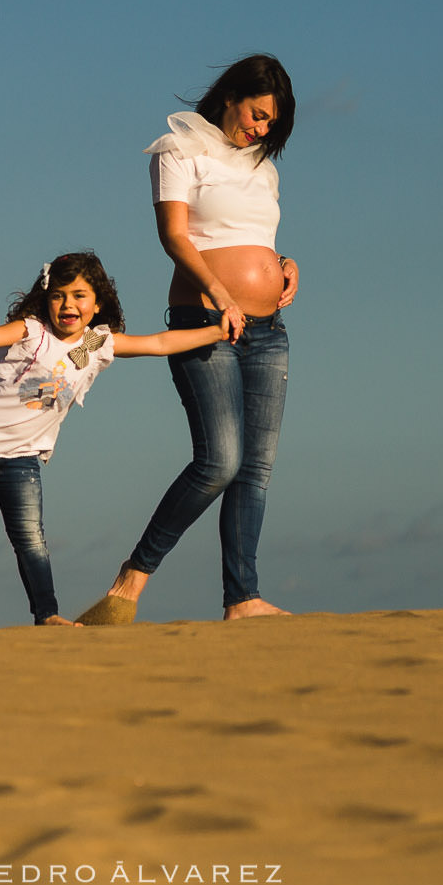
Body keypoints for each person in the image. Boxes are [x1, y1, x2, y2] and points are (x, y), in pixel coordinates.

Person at [0, 252, 230, 628]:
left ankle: (47, 614)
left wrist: (216, 331)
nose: (68, 304)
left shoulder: (92, 346)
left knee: (32, 541)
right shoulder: (33, 332)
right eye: (59, 295)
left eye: (80, 296)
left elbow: (159, 343)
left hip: (21, 459)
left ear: (97, 303)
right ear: (46, 299)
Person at [78, 55, 300, 624]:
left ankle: (242, 598)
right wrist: (222, 293)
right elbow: (175, 235)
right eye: (257, 115)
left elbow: (251, 234)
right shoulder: (179, 149)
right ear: (230, 96)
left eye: (271, 123)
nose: (261, 129)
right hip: (204, 320)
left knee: (256, 468)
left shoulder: (262, 167)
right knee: (219, 461)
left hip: (268, 331)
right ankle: (133, 577)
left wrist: (283, 265)